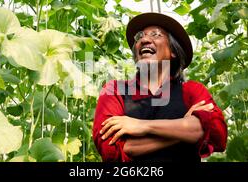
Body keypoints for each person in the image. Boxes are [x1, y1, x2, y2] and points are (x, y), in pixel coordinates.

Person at [92, 13, 227, 162]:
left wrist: (141, 126)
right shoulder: (115, 90)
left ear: (173, 51)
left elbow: (217, 133)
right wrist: (184, 130)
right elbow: (110, 150)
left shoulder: (192, 90)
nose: (144, 40)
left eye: (156, 35)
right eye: (139, 37)